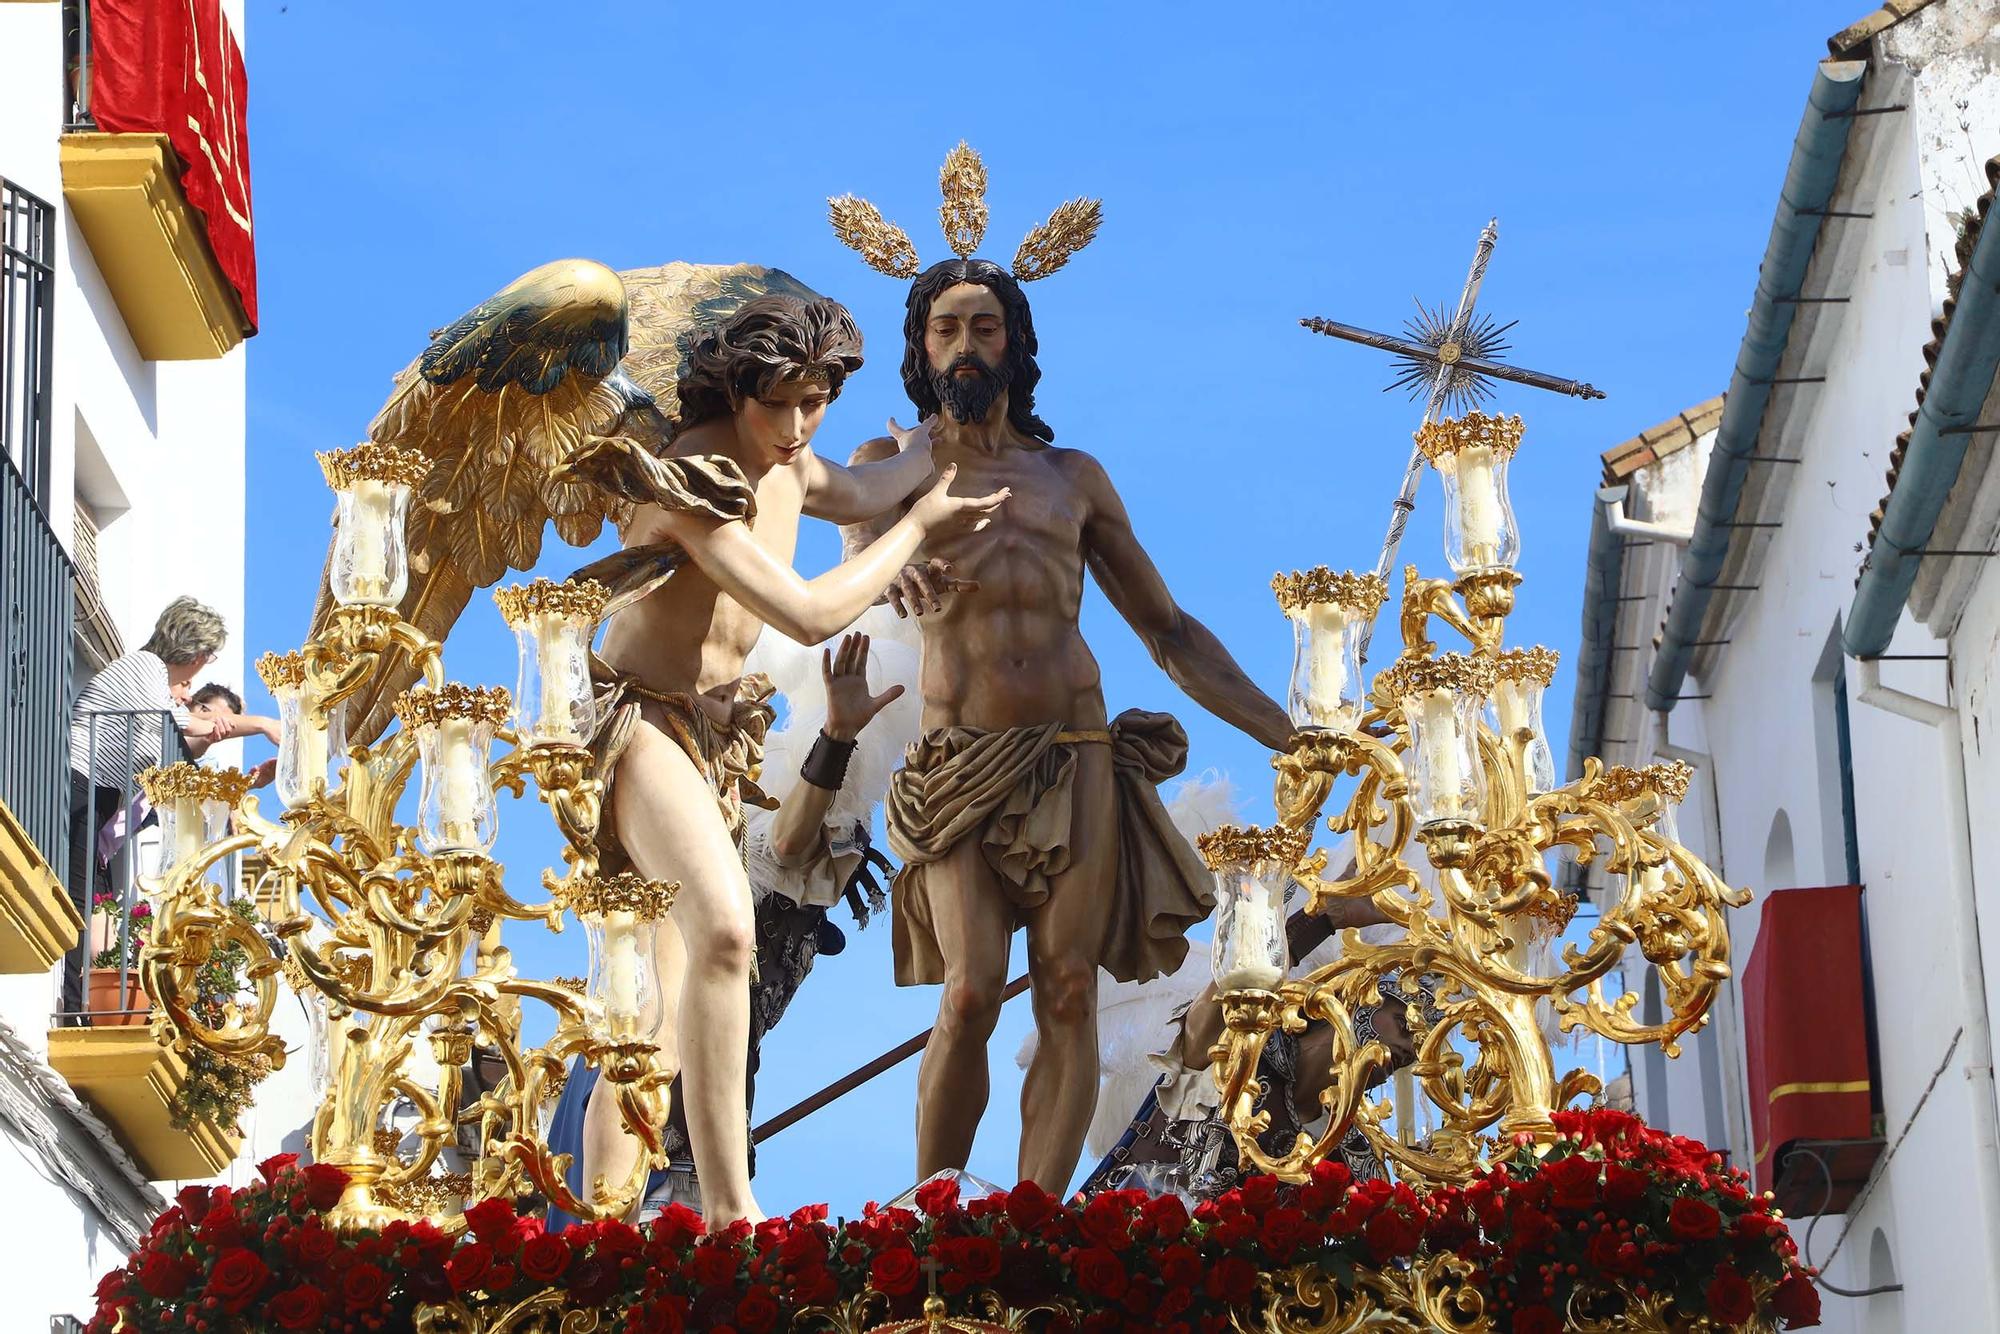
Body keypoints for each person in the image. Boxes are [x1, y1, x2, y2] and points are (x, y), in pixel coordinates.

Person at [842, 258, 1294, 1193]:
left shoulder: (1070, 478)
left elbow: (1167, 632)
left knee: (1069, 988)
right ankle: (933, 1222)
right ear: (921, 348)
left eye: (985, 326)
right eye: (947, 328)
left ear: (1016, 344)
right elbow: (857, 562)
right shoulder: (890, 465)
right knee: (968, 995)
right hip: (959, 761)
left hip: (1076, 754)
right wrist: (896, 569)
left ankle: (1030, 1233)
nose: (966, 344)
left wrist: (1291, 734)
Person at [554, 294, 1006, 1227]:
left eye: (817, 403)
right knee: (726, 930)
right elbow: (805, 612)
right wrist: (922, 530)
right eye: (779, 405)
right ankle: (730, 1211)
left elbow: (877, 486)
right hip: (632, 721)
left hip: (706, 741)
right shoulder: (688, 476)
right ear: (734, 390)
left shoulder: (792, 465)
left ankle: (604, 1232)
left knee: (656, 1021)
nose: (798, 429)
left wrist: (941, 430)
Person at [547, 629, 910, 1225]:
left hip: (703, 1155)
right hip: (646, 1144)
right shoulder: (728, 849)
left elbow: (800, 843)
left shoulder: (798, 883)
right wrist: (838, 736)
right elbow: (790, 836)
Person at [64, 596, 232, 1013]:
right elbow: (172, 722)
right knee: (82, 905)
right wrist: (259, 725)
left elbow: (170, 738)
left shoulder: (150, 674)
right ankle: (74, 1009)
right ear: (196, 653)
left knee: (94, 904)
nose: (201, 667)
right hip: (81, 786)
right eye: (207, 656)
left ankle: (86, 1005)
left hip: (94, 793)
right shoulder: (146, 667)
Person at [186, 683, 280, 788]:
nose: (219, 725)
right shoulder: (171, 716)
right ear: (191, 703)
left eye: (228, 725)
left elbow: (213, 794)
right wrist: (265, 724)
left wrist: (248, 783)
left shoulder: (208, 764)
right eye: (206, 712)